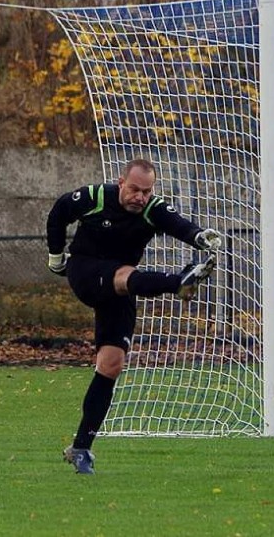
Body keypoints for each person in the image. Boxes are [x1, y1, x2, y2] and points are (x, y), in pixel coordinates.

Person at [45, 158, 223, 475]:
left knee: (111, 365)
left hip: (122, 288)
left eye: (146, 191)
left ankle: (81, 448)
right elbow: (59, 211)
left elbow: (178, 224)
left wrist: (200, 237)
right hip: (85, 271)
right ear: (121, 182)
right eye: (134, 189)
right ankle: (177, 283)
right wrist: (56, 258)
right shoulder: (96, 196)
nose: (139, 197)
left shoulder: (152, 208)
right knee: (126, 274)